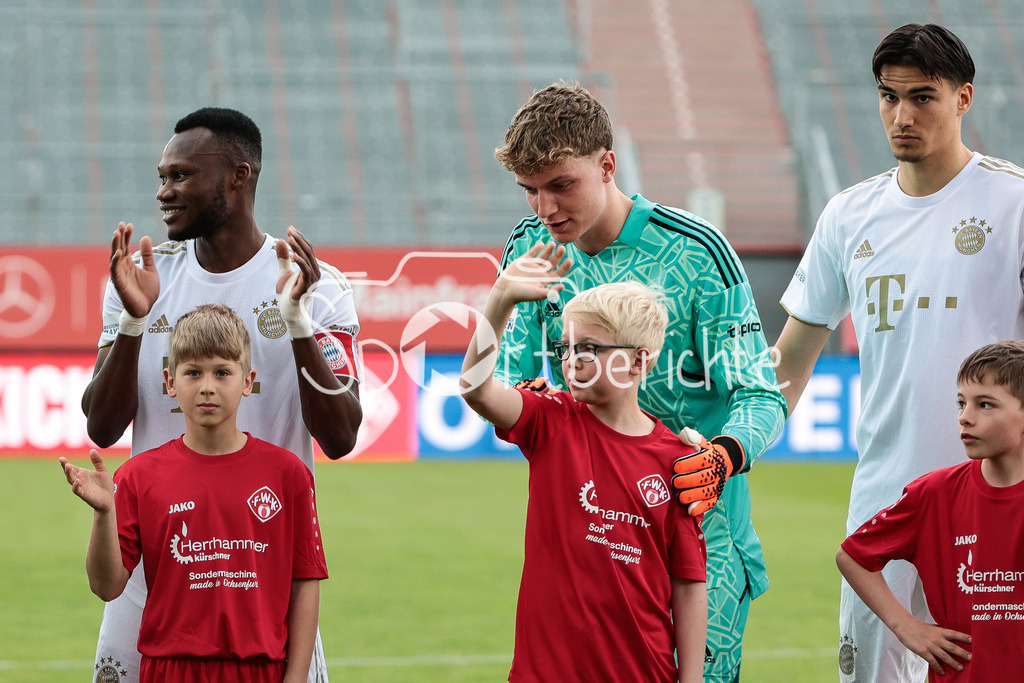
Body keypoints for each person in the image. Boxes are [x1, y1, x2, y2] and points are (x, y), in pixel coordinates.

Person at [493, 81, 786, 681]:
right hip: (591, 539)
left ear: (607, 165)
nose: (544, 210)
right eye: (530, 191)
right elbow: (510, 379)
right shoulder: (528, 248)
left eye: (560, 186)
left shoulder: (699, 251)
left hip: (700, 534)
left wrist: (723, 457)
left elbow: (760, 394)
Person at [774, 23, 1024, 681]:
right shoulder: (849, 215)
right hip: (885, 503)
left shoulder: (1016, 203)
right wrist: (730, 447)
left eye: (922, 97)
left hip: (997, 503)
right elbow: (792, 360)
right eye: (888, 97)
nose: (901, 115)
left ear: (964, 98)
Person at [80, 107, 362, 682]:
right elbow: (102, 428)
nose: (164, 192)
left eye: (181, 175)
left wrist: (299, 323)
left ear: (238, 175)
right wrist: (135, 322)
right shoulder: (143, 278)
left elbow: (341, 435)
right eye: (162, 176)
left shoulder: (317, 286)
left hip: (260, 570)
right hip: (149, 574)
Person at [461, 244, 708, 682]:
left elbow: (688, 584)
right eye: (566, 346)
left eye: (590, 347)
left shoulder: (679, 462)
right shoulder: (550, 420)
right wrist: (500, 298)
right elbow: (476, 389)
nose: (572, 359)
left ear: (638, 361)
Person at [63, 304, 328, 682]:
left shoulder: (289, 475)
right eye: (193, 373)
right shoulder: (138, 476)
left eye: (222, 372)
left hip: (261, 670)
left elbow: (305, 584)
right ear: (171, 382)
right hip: (171, 670)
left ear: (247, 380)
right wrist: (104, 513)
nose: (207, 386)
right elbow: (105, 586)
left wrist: (296, 678)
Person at [836, 340, 1024, 680]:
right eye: (961, 403)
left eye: (985, 405)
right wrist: (907, 627)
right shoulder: (934, 494)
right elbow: (853, 556)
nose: (965, 417)